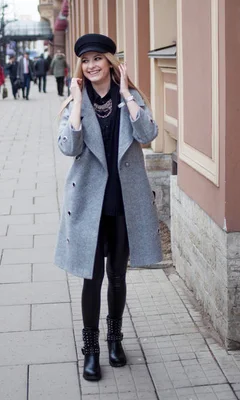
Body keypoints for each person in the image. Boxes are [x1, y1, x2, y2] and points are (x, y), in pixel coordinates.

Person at [54, 33, 162, 382]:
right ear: (81, 67)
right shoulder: (77, 101)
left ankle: (115, 340)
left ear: (111, 61)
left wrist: (129, 95)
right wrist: (74, 106)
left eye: (98, 59)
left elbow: (148, 135)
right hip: (89, 203)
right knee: (92, 278)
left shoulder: (127, 96)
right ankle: (91, 350)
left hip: (123, 200)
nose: (92, 65)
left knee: (117, 276)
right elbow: (68, 148)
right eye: (85, 61)